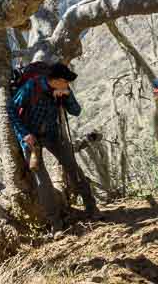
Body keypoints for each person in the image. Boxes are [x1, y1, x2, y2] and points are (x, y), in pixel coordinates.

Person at [6, 61, 97, 230]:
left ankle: (92, 209)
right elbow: (11, 110)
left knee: (72, 167)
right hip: (31, 139)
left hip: (52, 134)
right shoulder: (31, 87)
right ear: (55, 80)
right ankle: (56, 224)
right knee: (43, 181)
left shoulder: (63, 89)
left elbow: (76, 111)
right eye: (66, 81)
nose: (68, 84)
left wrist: (67, 95)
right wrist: (24, 134)